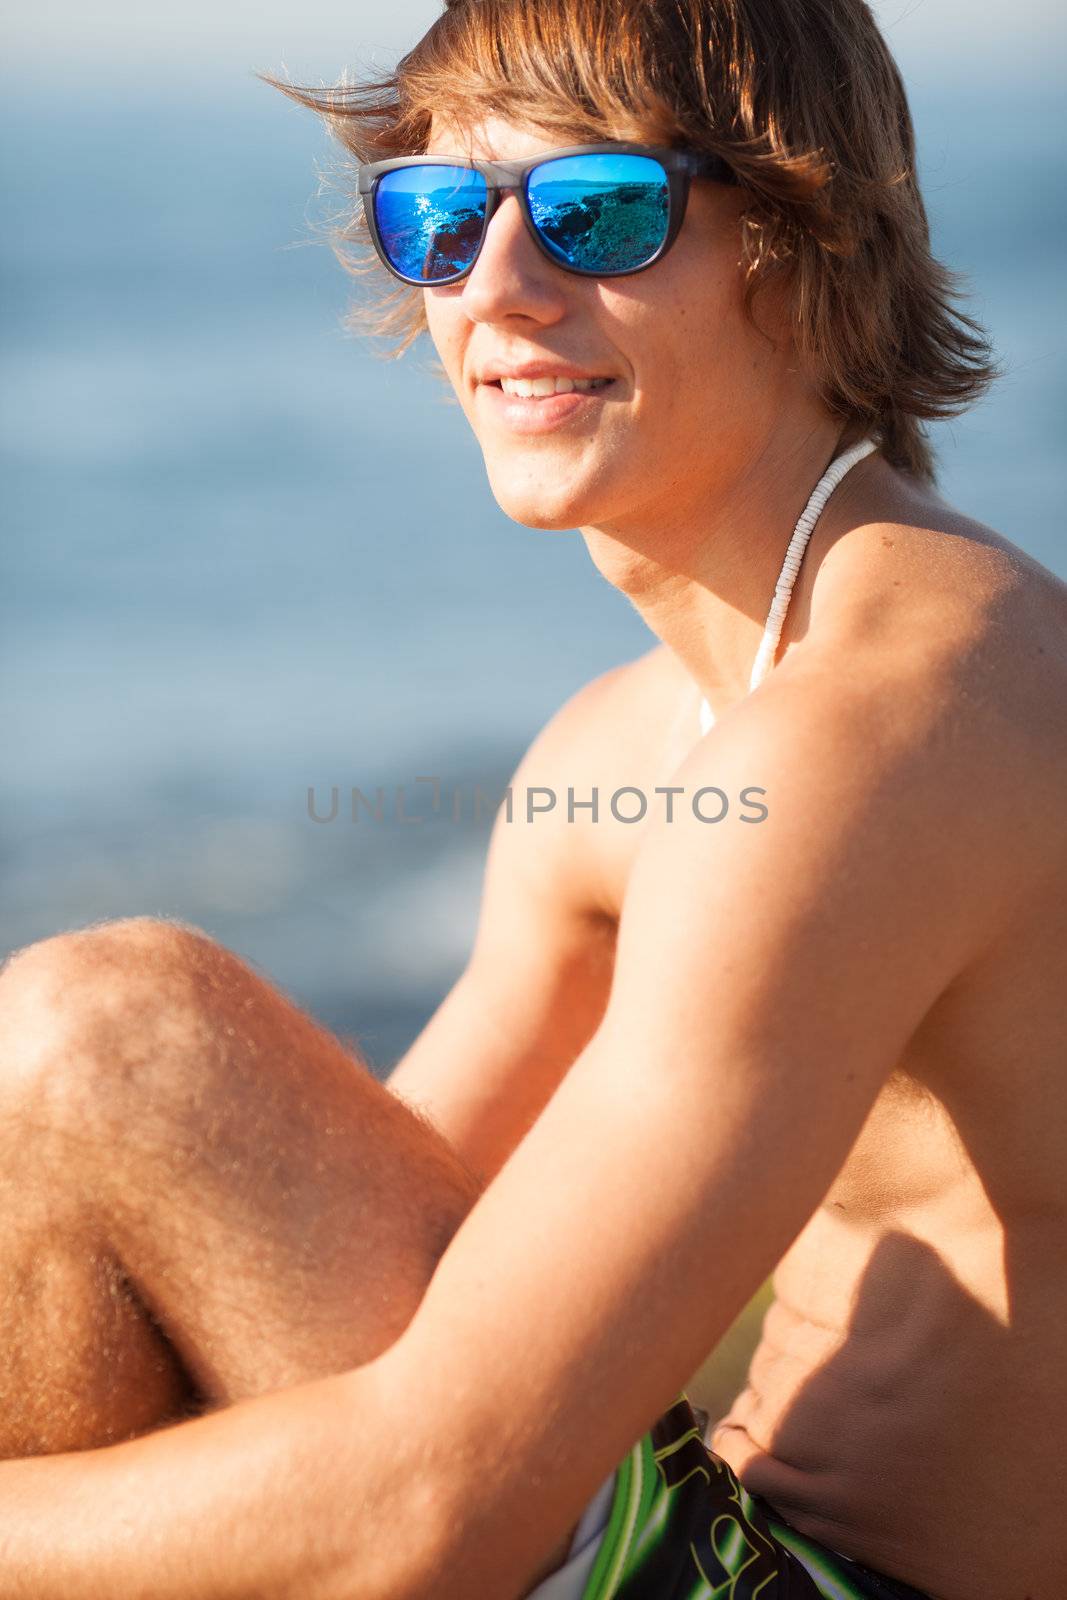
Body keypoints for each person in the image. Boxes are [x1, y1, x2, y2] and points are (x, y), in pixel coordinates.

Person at [1, 0, 1064, 1596]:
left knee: (114, 1027)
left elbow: (437, 1514)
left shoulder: (881, 735)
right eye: (438, 216)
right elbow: (311, 1273)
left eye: (594, 210)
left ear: (799, 236)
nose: (497, 289)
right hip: (718, 1525)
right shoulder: (620, 755)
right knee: (95, 1079)